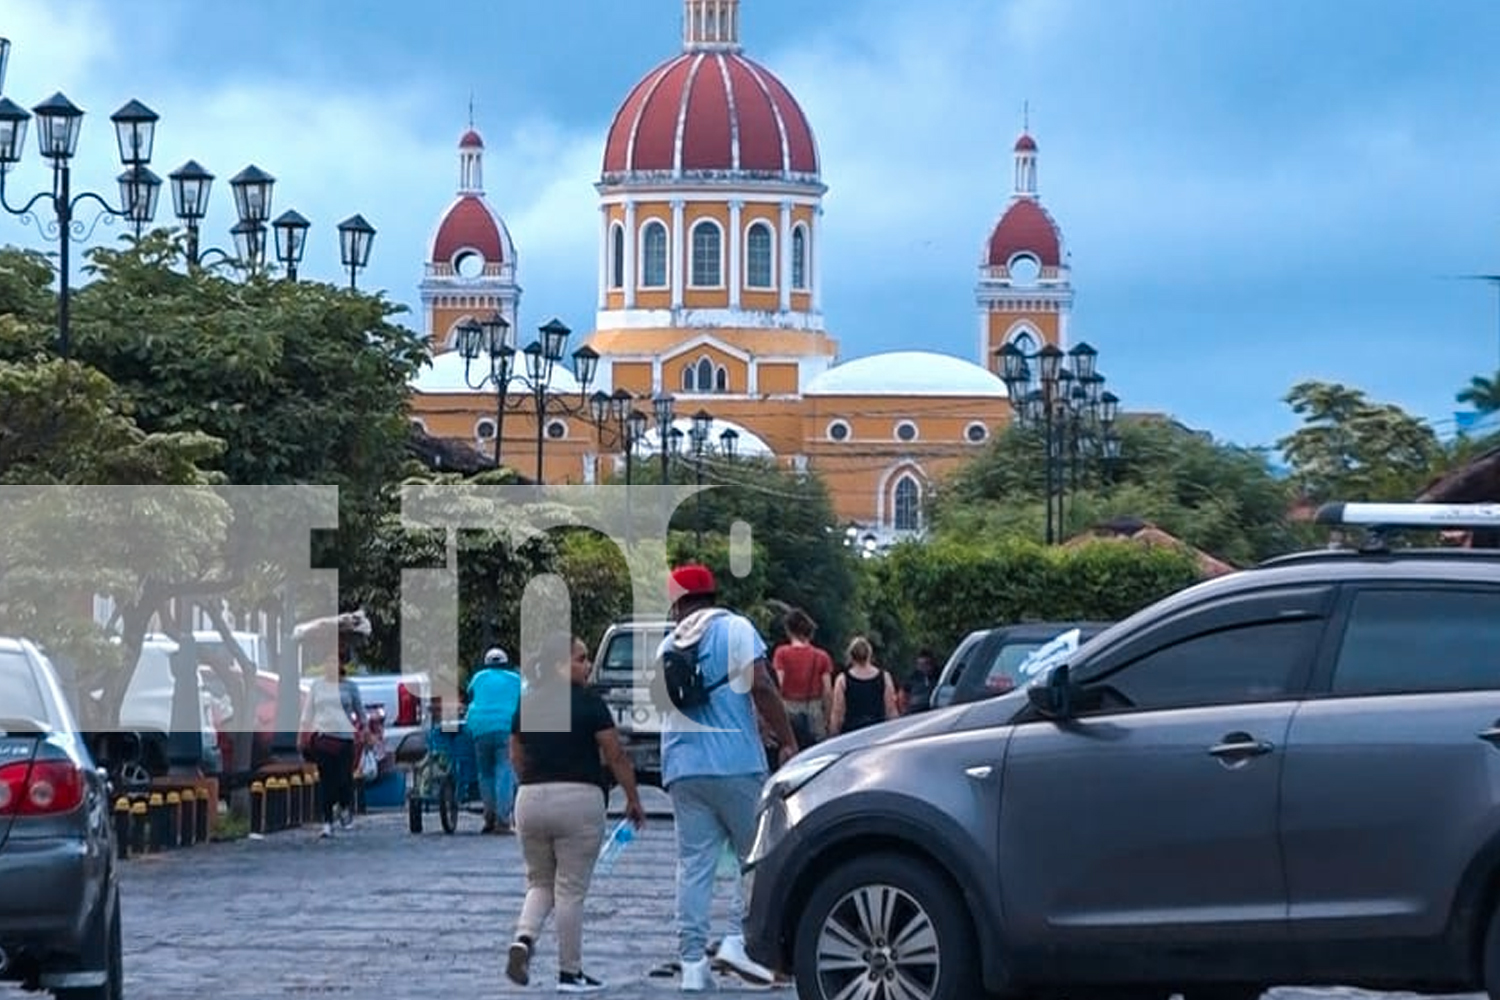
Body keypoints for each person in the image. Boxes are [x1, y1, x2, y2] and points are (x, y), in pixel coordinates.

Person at [657, 564, 800, 992]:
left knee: (694, 866)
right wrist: (787, 739)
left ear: (678, 601)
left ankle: (693, 964)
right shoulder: (736, 628)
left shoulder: (668, 642)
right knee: (756, 857)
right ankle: (741, 942)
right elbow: (761, 685)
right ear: (712, 594)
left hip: (682, 768)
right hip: (735, 762)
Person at [505, 634, 646, 994]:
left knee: (539, 882)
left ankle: (524, 937)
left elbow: (516, 754)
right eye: (581, 659)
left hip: (530, 799)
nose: (587, 665)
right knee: (570, 890)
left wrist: (531, 784)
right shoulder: (589, 703)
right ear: (560, 664)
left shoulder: (528, 701)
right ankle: (571, 973)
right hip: (579, 800)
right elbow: (615, 755)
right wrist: (632, 798)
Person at [298, 611, 371, 839]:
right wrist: (302, 735)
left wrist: (365, 731)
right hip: (323, 740)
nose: (331, 665)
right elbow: (308, 713)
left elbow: (360, 714)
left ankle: (346, 807)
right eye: (328, 661)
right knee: (326, 782)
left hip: (345, 740)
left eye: (335, 661)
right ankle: (327, 822)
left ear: (341, 664)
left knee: (344, 780)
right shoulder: (317, 687)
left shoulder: (350, 688)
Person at [466, 646, 521, 834]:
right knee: (504, 770)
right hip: (506, 727)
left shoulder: (479, 678)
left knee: (485, 773)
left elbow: (470, 695)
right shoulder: (515, 679)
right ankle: (503, 820)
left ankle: (489, 816)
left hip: (479, 728)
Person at [771, 608, 834, 744]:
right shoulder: (822, 656)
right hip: (814, 709)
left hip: (788, 708)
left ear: (788, 630)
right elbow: (827, 691)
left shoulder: (781, 653)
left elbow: (779, 684)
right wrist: (828, 719)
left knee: (790, 747)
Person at [828, 636, 897, 736]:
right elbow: (891, 710)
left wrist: (833, 735)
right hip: (878, 732)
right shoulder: (884, 677)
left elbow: (838, 714)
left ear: (851, 656)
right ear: (870, 654)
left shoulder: (842, 680)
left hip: (852, 733)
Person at [899, 648, 939, 715]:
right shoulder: (913, 678)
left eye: (926, 664)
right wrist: (904, 711)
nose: (923, 668)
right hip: (915, 713)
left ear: (932, 664)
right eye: (920, 665)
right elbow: (902, 694)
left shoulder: (939, 676)